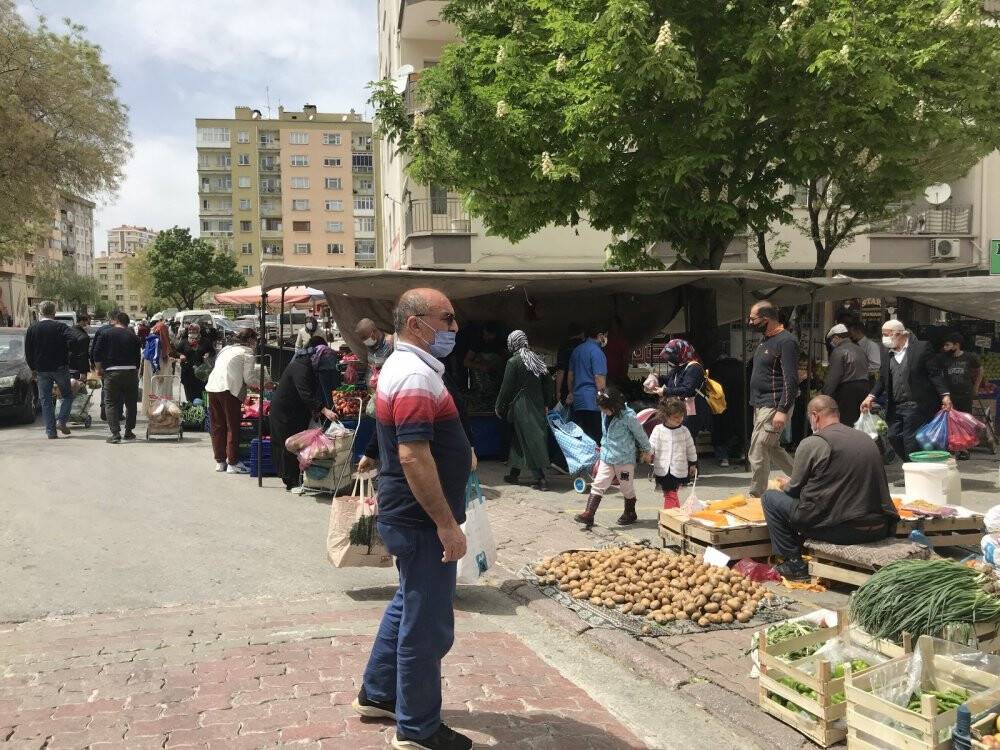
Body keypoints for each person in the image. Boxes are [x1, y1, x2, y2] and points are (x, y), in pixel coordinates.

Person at [353, 288, 473, 750]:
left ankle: (378, 694)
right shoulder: (414, 375)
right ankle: (418, 727)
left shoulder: (410, 368)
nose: (454, 328)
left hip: (410, 515)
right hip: (422, 521)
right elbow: (412, 455)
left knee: (408, 603)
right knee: (426, 626)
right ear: (416, 323)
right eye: (448, 318)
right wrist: (446, 524)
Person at [762, 396, 899, 580]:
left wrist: (786, 484)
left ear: (815, 416)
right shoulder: (865, 438)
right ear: (837, 414)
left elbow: (793, 490)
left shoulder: (813, 442)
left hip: (843, 530)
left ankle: (793, 563)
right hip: (881, 527)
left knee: (770, 499)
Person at [861, 320, 951, 468]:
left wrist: (945, 395)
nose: (884, 338)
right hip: (896, 405)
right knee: (893, 436)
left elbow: (934, 373)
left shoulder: (921, 348)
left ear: (899, 334)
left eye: (886, 334)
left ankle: (913, 471)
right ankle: (914, 465)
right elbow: (883, 379)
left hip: (916, 404)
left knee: (910, 440)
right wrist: (870, 396)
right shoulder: (886, 352)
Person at [575, 387, 652, 529]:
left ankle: (630, 512)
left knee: (626, 487)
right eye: (602, 409)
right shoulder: (604, 412)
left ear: (615, 406)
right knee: (599, 483)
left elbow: (640, 434)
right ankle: (589, 514)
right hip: (606, 457)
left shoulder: (629, 416)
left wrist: (647, 450)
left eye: (605, 409)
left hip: (624, 460)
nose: (603, 412)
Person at [269, 336, 339, 492]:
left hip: (296, 411)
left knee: (298, 444)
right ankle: (291, 482)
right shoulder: (301, 367)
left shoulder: (308, 365)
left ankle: (297, 479)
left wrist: (316, 410)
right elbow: (305, 393)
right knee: (289, 444)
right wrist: (324, 410)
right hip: (285, 412)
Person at [746, 300, 798, 498]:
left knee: (758, 448)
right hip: (760, 404)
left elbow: (791, 379)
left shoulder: (786, 341)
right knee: (772, 447)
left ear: (766, 319)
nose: (750, 323)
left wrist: (782, 410)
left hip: (774, 405)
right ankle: (805, 480)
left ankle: (756, 495)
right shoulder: (765, 340)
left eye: (753, 319)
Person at [495, 330, 555, 491]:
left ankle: (541, 479)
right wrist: (547, 402)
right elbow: (549, 383)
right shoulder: (536, 359)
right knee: (520, 440)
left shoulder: (513, 362)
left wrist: (499, 406)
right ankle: (514, 475)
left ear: (513, 343)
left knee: (529, 440)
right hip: (537, 405)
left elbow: (506, 388)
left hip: (522, 407)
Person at [205, 328, 260, 474]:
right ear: (250, 340)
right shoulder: (247, 353)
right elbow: (249, 378)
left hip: (213, 387)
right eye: (255, 341)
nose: (256, 344)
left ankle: (220, 461)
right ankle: (233, 462)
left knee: (218, 425)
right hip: (229, 390)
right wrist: (260, 385)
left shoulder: (225, 349)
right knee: (232, 425)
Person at [24, 301, 77, 438]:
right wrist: (67, 353)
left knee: (46, 400)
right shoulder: (61, 327)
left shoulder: (32, 328)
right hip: (60, 367)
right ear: (54, 312)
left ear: (40, 312)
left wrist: (33, 368)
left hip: (41, 369)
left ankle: (51, 432)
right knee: (67, 395)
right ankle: (61, 421)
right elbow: (74, 340)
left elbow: (28, 351)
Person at [92, 312, 141, 444]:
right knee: (131, 403)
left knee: (110, 402)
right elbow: (138, 357)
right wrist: (136, 371)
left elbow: (96, 353)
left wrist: (98, 369)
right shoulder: (133, 336)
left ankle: (115, 434)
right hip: (131, 371)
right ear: (127, 322)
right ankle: (129, 432)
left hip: (111, 372)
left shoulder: (105, 334)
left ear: (117, 320)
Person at [649, 338, 710, 438]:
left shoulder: (694, 368)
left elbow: (687, 390)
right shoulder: (679, 367)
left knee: (686, 439)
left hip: (690, 412)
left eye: (672, 356)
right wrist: (656, 378)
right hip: (678, 410)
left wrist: (665, 391)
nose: (669, 360)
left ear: (681, 353)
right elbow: (668, 380)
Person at [939, 332, 982, 459]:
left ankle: (964, 449)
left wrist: (976, 386)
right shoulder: (944, 358)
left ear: (957, 345)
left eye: (948, 345)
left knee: (964, 421)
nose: (945, 348)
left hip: (965, 394)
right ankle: (953, 446)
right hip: (949, 396)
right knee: (951, 421)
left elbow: (980, 370)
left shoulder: (970, 357)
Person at [650, 397, 698, 510]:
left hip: (678, 468)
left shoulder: (684, 431)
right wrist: (648, 454)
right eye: (676, 417)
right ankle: (673, 514)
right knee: (670, 493)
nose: (680, 419)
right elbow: (651, 445)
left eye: (681, 416)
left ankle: (671, 514)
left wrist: (693, 463)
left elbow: (691, 448)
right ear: (666, 416)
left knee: (671, 493)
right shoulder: (658, 429)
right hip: (663, 468)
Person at [821, 323, 870, 428]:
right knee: (860, 423)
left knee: (847, 423)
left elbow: (833, 377)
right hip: (864, 388)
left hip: (848, 392)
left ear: (836, 338)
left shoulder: (839, 351)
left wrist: (825, 396)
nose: (831, 343)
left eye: (831, 340)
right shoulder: (860, 349)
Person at [566, 325, 608, 445]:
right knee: (595, 439)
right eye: (605, 336)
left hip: (578, 401)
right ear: (600, 336)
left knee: (580, 439)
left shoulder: (577, 350)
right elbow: (599, 377)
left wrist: (571, 392)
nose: (606, 339)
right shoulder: (597, 352)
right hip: (593, 402)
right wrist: (604, 399)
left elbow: (570, 375)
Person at [176, 324, 215, 403]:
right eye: (190, 330)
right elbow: (176, 352)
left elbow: (212, 351)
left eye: (194, 330)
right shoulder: (184, 342)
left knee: (203, 391)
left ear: (198, 331)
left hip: (202, 372)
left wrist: (208, 354)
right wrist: (180, 355)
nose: (191, 331)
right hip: (187, 372)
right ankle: (191, 406)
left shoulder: (205, 341)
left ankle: (205, 407)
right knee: (189, 392)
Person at [554, 323, 584, 405]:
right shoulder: (585, 347)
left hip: (566, 389)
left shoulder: (564, 347)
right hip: (583, 388)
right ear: (582, 334)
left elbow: (561, 371)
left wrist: (557, 391)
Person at [603, 317, 631, 387]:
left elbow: (625, 359)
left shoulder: (623, 341)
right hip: (606, 373)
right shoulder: (606, 340)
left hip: (618, 374)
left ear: (618, 327)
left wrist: (623, 374)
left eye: (613, 325)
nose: (612, 328)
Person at [68, 313, 92, 378]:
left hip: (66, 366)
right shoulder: (83, 336)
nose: (89, 325)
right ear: (81, 321)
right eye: (88, 323)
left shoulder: (68, 331)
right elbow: (82, 355)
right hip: (78, 369)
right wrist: (83, 372)